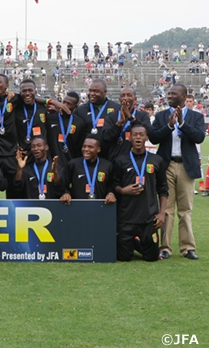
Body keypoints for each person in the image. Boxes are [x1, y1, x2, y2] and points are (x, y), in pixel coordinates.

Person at [149, 84, 205, 260]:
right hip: (166, 166)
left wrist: (182, 123)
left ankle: (187, 247)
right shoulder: (161, 115)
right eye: (169, 93)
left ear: (184, 96)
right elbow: (154, 137)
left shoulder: (196, 116)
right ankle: (165, 247)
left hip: (186, 166)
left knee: (185, 209)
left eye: (174, 94)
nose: (169, 96)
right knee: (166, 209)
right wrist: (170, 125)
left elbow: (199, 137)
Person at [113, 124, 167, 261]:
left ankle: (140, 243)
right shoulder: (120, 160)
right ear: (129, 138)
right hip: (127, 217)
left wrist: (161, 213)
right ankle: (130, 242)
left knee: (152, 258)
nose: (138, 137)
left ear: (146, 137)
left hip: (149, 217)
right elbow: (114, 186)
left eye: (141, 135)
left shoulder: (156, 160)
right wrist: (123, 190)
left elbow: (163, 189)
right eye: (135, 135)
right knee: (124, 258)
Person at [100, 87, 151, 163]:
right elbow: (106, 137)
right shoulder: (111, 116)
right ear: (119, 99)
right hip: (114, 160)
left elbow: (148, 133)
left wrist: (131, 118)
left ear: (135, 99)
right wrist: (119, 123)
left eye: (129, 95)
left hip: (136, 160)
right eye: (123, 95)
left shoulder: (142, 115)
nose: (126, 98)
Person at [73, 79, 121, 158]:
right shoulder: (80, 110)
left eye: (96, 91)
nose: (92, 94)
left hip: (109, 155)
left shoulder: (116, 108)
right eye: (90, 91)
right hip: (87, 156)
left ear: (105, 92)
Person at [62, 135, 115, 204]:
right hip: (77, 208)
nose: (86, 149)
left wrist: (111, 194)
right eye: (84, 146)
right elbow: (64, 183)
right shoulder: (73, 164)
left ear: (98, 149)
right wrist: (65, 193)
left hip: (100, 208)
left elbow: (111, 185)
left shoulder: (107, 165)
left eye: (90, 147)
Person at [46, 91, 85, 166]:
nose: (64, 105)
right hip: (51, 164)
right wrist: (52, 102)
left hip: (70, 163)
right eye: (64, 102)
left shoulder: (79, 122)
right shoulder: (50, 117)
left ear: (75, 107)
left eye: (69, 104)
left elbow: (79, 147)